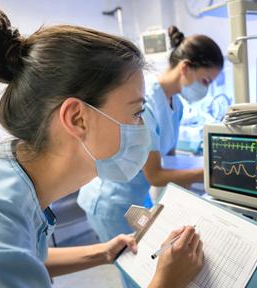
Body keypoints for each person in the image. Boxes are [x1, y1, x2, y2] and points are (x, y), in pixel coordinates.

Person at [0, 7, 203, 288]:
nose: (142, 129)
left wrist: (100, 252)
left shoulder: (5, 169)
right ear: (77, 118)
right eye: (135, 113)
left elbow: (21, 256)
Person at [77, 25, 223, 287]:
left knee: (152, 257)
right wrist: (209, 173)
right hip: (112, 201)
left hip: (137, 199)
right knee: (139, 271)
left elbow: (168, 158)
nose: (206, 90)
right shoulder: (148, 101)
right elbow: (155, 174)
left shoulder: (175, 103)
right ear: (186, 67)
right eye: (205, 81)